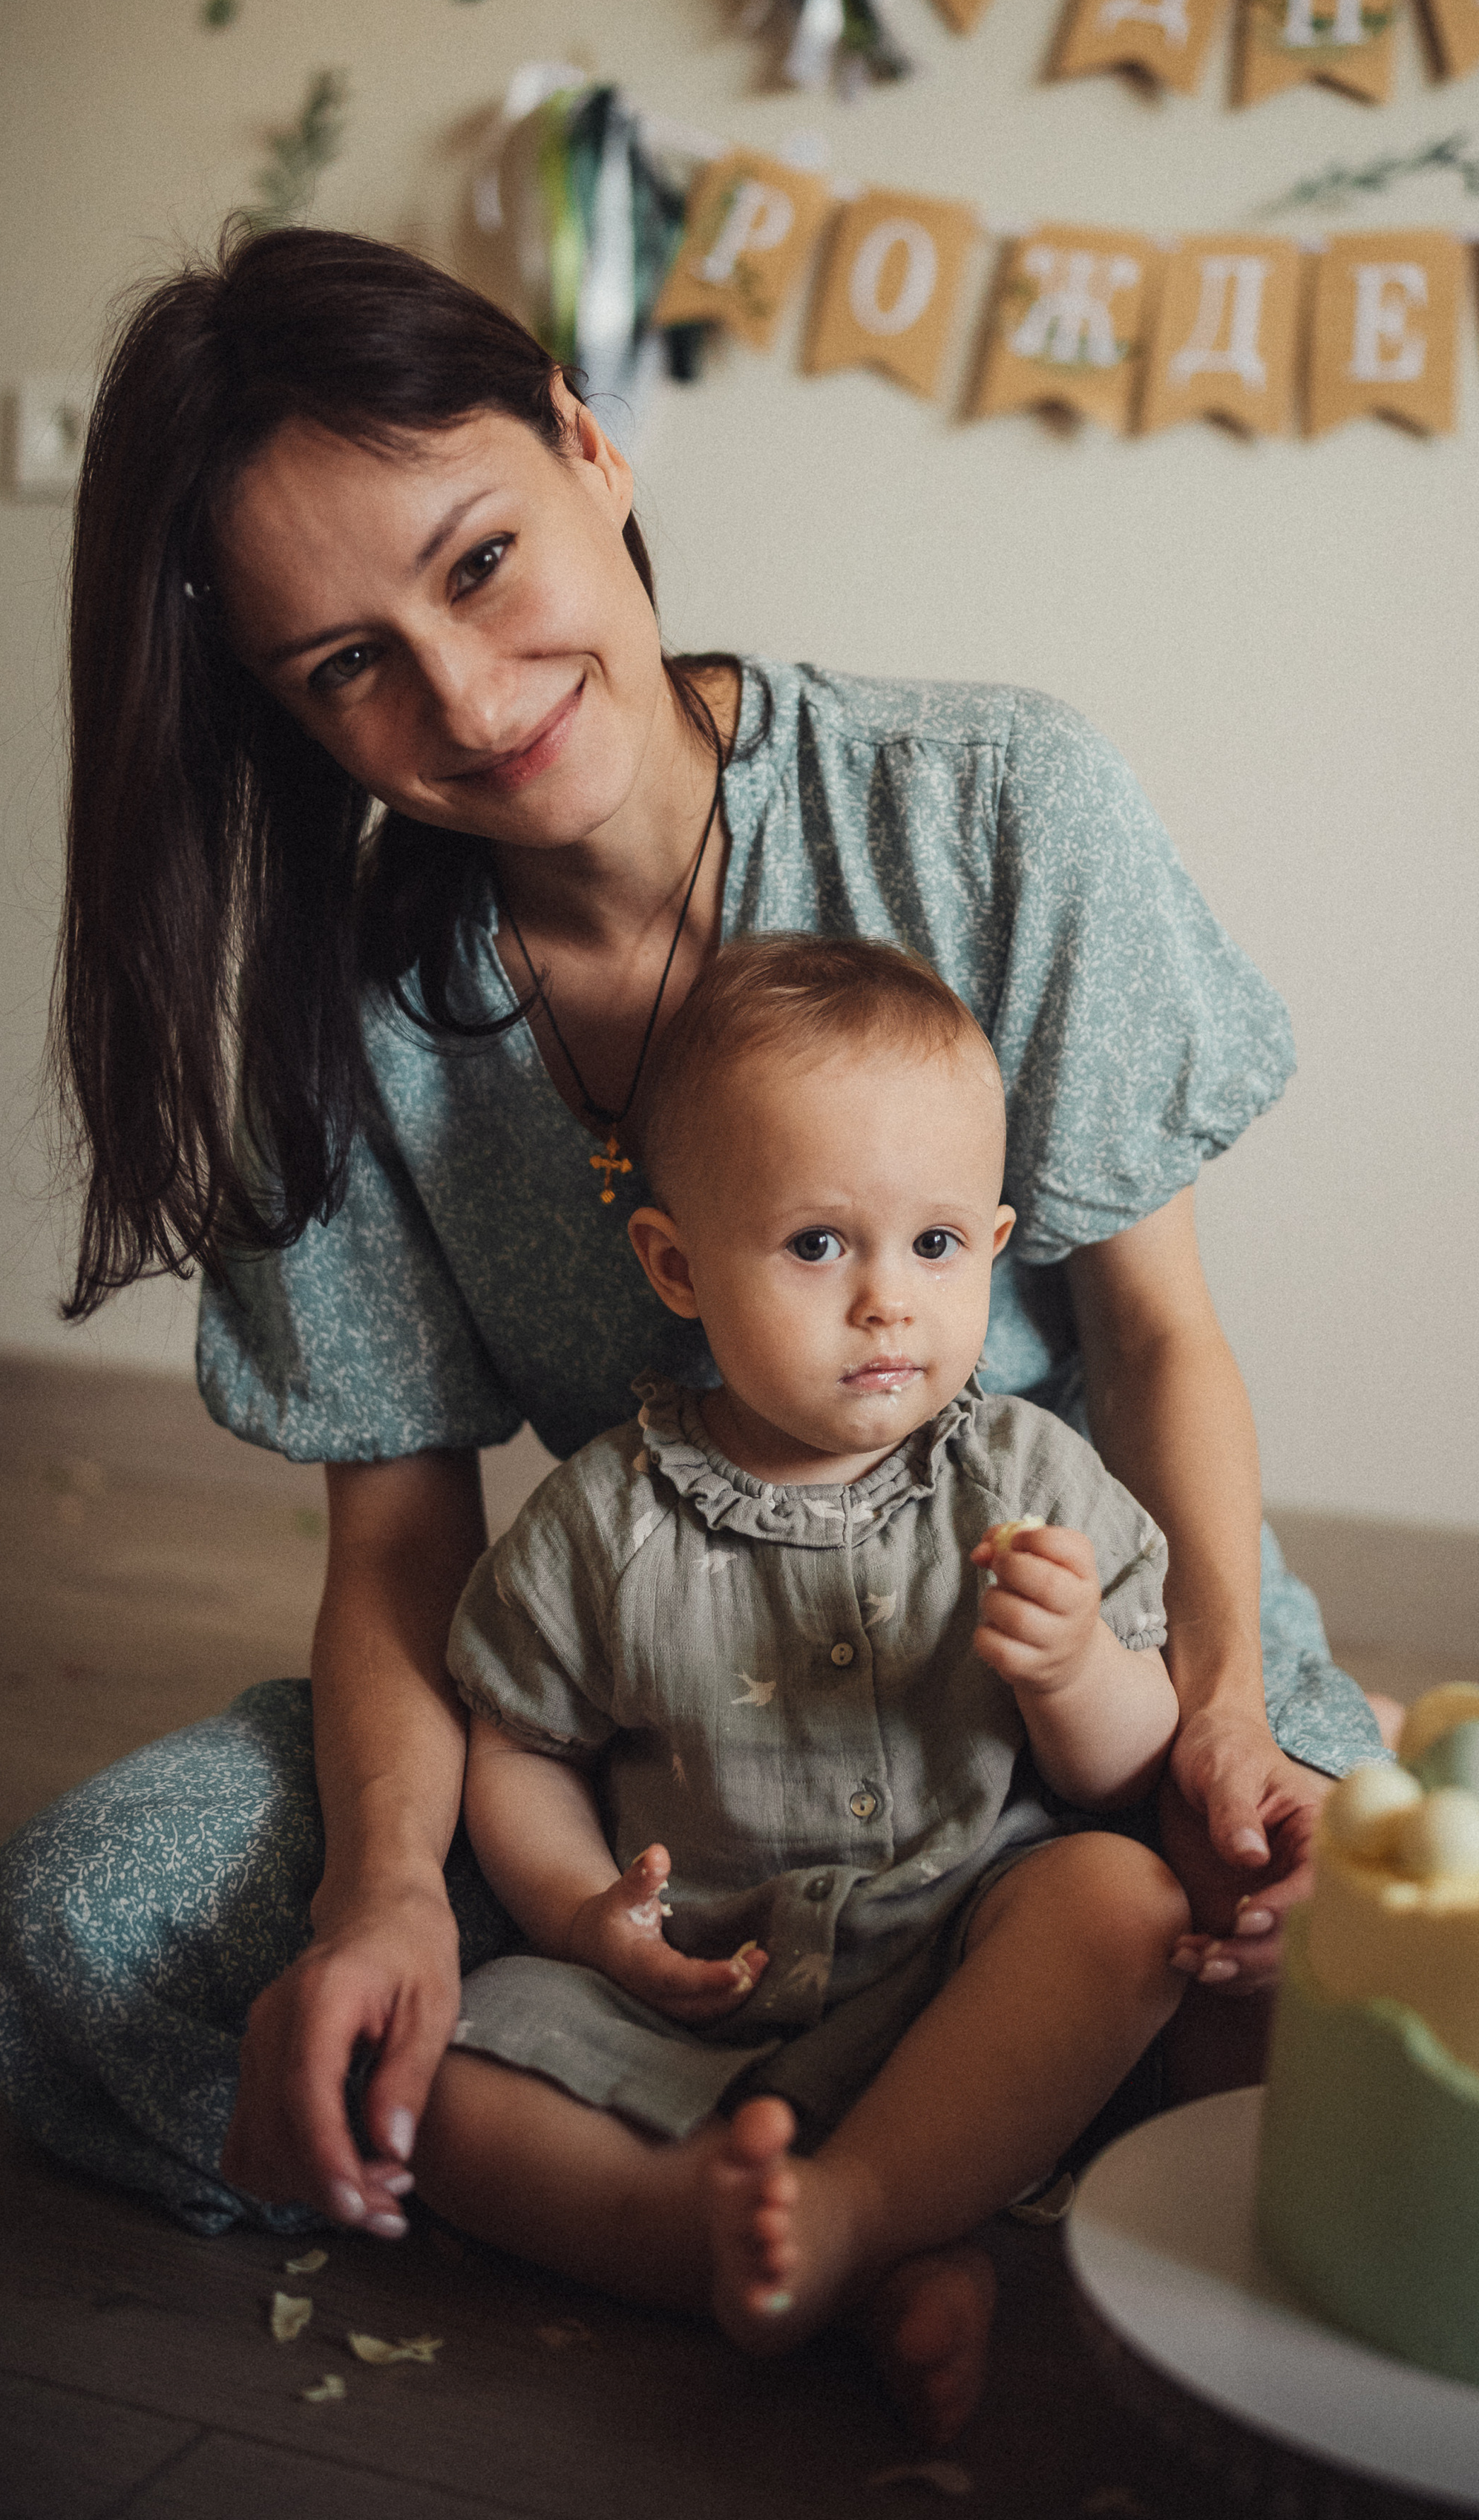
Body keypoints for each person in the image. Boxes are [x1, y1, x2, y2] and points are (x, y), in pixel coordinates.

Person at [0, 224, 1385, 2253]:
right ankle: (863, 2189)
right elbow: (404, 1543)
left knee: (1365, 1994)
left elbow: (1157, 1342)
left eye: (477, 564)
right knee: (70, 1939)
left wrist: (1225, 1716)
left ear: (587, 445)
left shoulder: (990, 802)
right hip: (668, 1767)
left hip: (1102, 1692)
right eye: (347, 668)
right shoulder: (343, 1018)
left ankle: (804, 2167)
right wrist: (395, 1898)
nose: (467, 697)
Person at [426, 933, 1189, 2438]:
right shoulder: (604, 1516)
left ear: (993, 1241)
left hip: (960, 1975)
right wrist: (585, 1912)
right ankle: (790, 2254)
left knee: (1120, 1907)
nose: (885, 1305)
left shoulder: (1029, 1479)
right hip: (696, 2001)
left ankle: (849, 2208)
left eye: (932, 1246)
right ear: (674, 1265)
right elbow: (514, 1740)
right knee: (442, 2092)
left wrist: (1079, 1670)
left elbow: (1128, 1770)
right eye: (815, 1245)